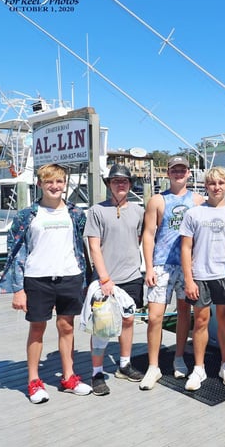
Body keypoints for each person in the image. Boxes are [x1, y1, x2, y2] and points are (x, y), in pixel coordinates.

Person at [0, 163, 92, 403]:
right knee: (37, 328)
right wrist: (18, 288)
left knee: (67, 326)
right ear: (40, 184)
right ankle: (33, 381)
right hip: (37, 279)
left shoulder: (76, 214)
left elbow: (84, 247)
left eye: (59, 181)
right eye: (49, 181)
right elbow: (16, 252)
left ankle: (69, 377)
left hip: (70, 277)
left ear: (64, 184)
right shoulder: (27, 215)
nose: (55, 186)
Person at [140, 156, 204, 390]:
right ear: (167, 173)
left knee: (184, 313)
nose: (178, 173)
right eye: (174, 170)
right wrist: (148, 267)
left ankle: (179, 357)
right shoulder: (157, 200)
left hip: (187, 267)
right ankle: (153, 366)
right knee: (155, 316)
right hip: (161, 265)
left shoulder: (197, 200)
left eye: (183, 169)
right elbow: (148, 234)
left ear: (189, 173)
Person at [84, 164, 145, 395]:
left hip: (131, 276)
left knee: (128, 321)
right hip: (104, 279)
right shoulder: (97, 211)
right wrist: (105, 278)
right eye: (116, 180)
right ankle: (97, 372)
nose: (121, 184)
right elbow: (94, 248)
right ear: (109, 184)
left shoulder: (139, 211)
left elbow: (138, 238)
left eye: (125, 181)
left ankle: (124, 364)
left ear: (130, 184)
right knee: (101, 326)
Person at [180, 167, 225, 390]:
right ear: (206, 186)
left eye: (221, 183)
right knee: (201, 321)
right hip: (200, 276)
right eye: (212, 183)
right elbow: (186, 248)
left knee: (224, 320)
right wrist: (189, 279)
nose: (216, 187)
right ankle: (199, 368)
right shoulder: (193, 213)